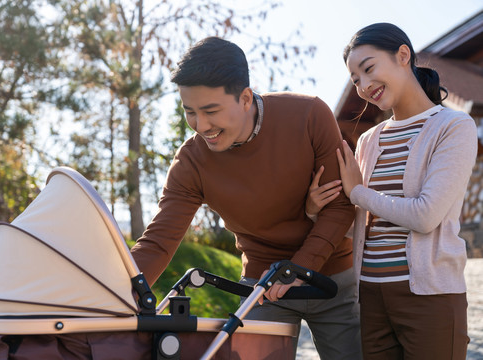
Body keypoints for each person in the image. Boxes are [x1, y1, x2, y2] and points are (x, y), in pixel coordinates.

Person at [130, 36, 362, 359]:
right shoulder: (191, 163)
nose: (201, 126)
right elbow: (158, 241)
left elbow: (340, 206)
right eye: (190, 112)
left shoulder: (310, 115)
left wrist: (300, 268)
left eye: (211, 111)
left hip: (331, 278)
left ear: (245, 98)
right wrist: (116, 292)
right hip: (261, 287)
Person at [310, 23, 477, 359]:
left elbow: (425, 215)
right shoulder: (369, 141)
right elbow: (361, 225)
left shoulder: (453, 127)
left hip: (430, 298)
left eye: (369, 68)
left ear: (403, 55)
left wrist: (356, 192)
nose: (364, 85)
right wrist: (315, 209)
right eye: (356, 79)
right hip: (370, 297)